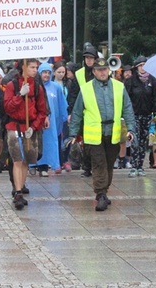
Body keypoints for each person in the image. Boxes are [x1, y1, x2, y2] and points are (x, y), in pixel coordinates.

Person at [67, 58, 136, 211]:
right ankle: (100, 194)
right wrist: (72, 134)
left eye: (105, 69)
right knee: (99, 164)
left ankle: (104, 190)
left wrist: (131, 129)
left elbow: (128, 108)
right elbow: (77, 112)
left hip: (113, 133)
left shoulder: (119, 87)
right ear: (94, 72)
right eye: (99, 70)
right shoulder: (86, 89)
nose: (102, 72)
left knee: (109, 164)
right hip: (94, 135)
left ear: (108, 71)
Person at [4, 59, 48, 210]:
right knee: (17, 158)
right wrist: (20, 95)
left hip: (30, 127)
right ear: (24, 67)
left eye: (36, 67)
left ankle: (21, 187)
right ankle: (17, 192)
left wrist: (35, 126)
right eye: (32, 67)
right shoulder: (12, 85)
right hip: (14, 125)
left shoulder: (37, 87)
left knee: (27, 159)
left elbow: (42, 111)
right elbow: (8, 108)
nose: (35, 70)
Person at [124, 56, 156, 177]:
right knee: (135, 140)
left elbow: (155, 98)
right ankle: (134, 165)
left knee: (143, 141)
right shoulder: (131, 81)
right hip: (134, 115)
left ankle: (140, 166)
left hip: (146, 115)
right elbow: (126, 99)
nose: (142, 68)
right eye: (140, 65)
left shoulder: (152, 81)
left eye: (144, 65)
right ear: (136, 67)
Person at [68, 43, 98, 177]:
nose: (89, 60)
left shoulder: (101, 72)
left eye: (91, 58)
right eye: (87, 58)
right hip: (84, 113)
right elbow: (73, 95)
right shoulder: (79, 74)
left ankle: (97, 165)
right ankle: (87, 167)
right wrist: (72, 112)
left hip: (98, 113)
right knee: (86, 142)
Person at [37, 63, 67, 176]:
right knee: (38, 142)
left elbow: (61, 104)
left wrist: (63, 117)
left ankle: (47, 165)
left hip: (52, 122)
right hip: (37, 121)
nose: (46, 75)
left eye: (48, 72)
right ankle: (36, 165)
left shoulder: (56, 87)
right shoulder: (35, 86)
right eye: (44, 72)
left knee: (50, 143)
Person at [53, 61, 72, 172]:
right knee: (56, 138)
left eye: (63, 72)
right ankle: (58, 161)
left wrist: (70, 113)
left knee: (67, 137)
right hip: (54, 115)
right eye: (59, 72)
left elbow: (71, 98)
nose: (61, 74)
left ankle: (65, 160)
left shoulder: (68, 83)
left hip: (65, 114)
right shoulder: (50, 84)